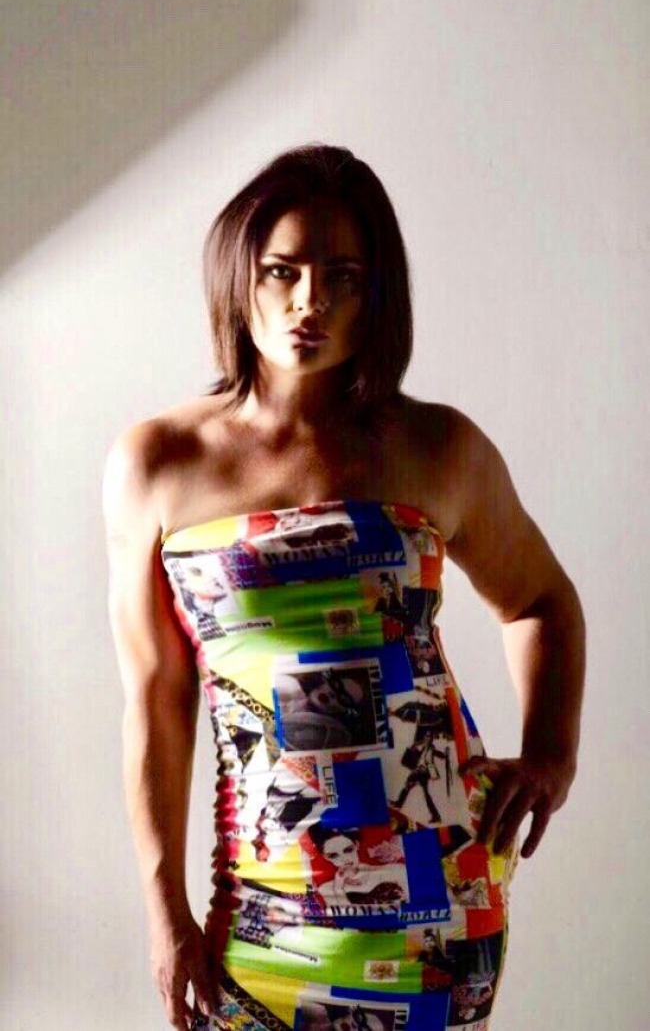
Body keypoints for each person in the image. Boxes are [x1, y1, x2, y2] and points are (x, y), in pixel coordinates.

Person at [103, 143, 585, 1031]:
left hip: (439, 897)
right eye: (282, 271)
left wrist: (552, 754)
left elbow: (541, 602)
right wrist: (163, 908)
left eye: (344, 278)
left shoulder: (437, 448)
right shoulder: (158, 464)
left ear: (379, 296)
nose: (310, 301)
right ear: (238, 276)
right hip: (263, 906)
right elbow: (159, 699)